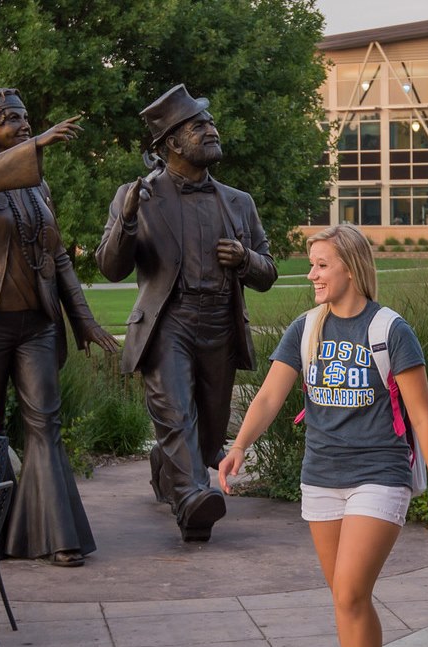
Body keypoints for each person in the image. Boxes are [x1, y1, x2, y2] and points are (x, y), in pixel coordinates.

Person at [218, 224, 428, 647]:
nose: (313, 275)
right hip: (320, 477)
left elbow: (422, 415)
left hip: (379, 474)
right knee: (344, 597)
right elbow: (268, 398)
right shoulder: (306, 327)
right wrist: (240, 445)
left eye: (322, 265)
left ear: (351, 269)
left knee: (353, 592)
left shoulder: (389, 329)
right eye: (312, 264)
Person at [96, 84, 277, 542]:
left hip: (219, 321)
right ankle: (193, 501)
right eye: (200, 126)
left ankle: (167, 465)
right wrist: (128, 220)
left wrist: (245, 260)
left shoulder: (239, 202)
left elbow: (268, 272)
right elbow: (111, 268)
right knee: (177, 416)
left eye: (210, 123)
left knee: (209, 434)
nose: (211, 130)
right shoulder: (137, 196)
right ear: (172, 143)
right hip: (167, 323)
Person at [0, 87, 117, 567]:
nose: (25, 126)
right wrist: (36, 146)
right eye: (14, 120)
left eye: (27, 119)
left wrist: (80, 317)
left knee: (46, 424)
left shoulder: (38, 188)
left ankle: (58, 535)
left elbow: (58, 255)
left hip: (37, 324)